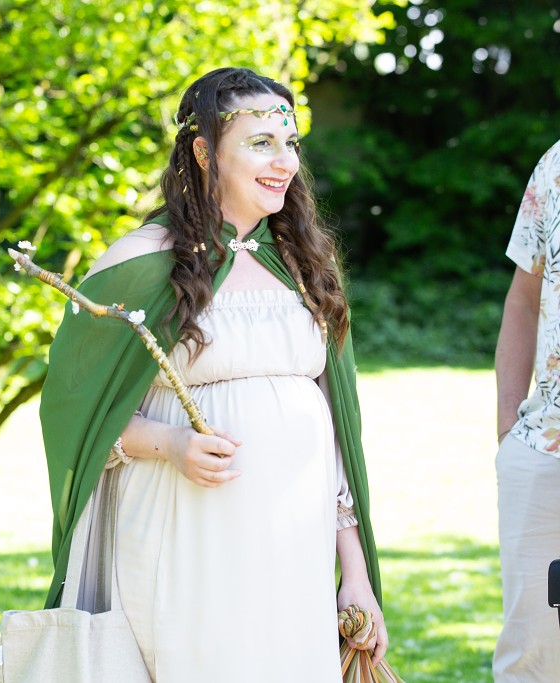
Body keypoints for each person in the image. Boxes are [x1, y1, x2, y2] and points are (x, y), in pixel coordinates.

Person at [38, 67, 388, 680]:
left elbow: (336, 428)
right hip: (183, 531)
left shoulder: (306, 263)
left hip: (295, 542)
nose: (284, 161)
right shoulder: (140, 261)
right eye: (261, 143)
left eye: (291, 143)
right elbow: (77, 410)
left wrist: (353, 572)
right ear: (204, 152)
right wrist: (169, 443)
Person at [494, 139, 560, 681]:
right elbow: (523, 299)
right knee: (533, 660)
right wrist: (507, 437)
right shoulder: (556, 164)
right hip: (544, 453)